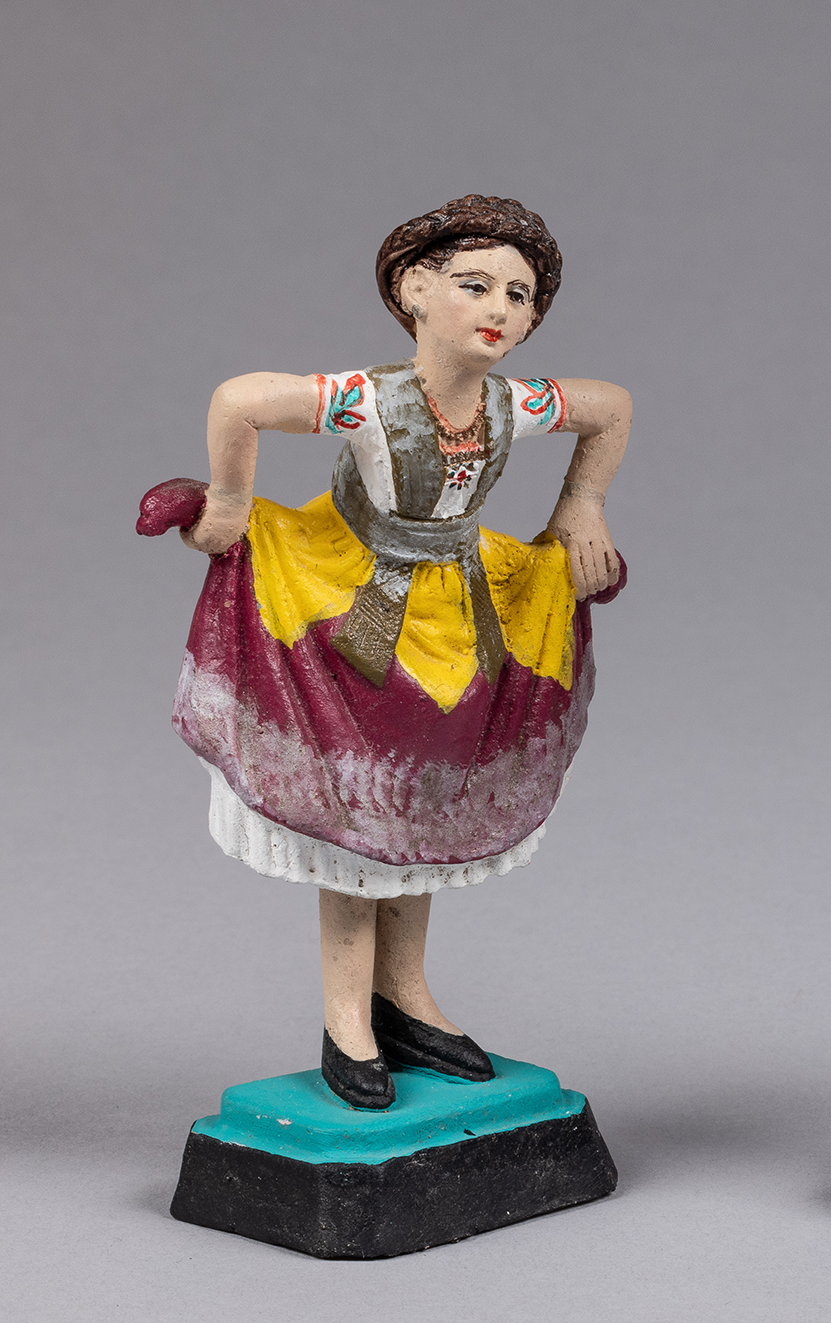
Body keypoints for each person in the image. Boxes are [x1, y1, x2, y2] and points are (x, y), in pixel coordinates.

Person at [140, 196, 630, 1110]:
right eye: (474, 284)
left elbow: (611, 408)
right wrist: (233, 505)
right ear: (413, 290)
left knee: (423, 808)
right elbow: (240, 401)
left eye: (520, 296)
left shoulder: (509, 404)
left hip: (458, 624)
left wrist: (582, 506)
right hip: (357, 619)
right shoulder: (371, 400)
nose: (500, 308)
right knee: (359, 812)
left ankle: (403, 995)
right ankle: (346, 1018)